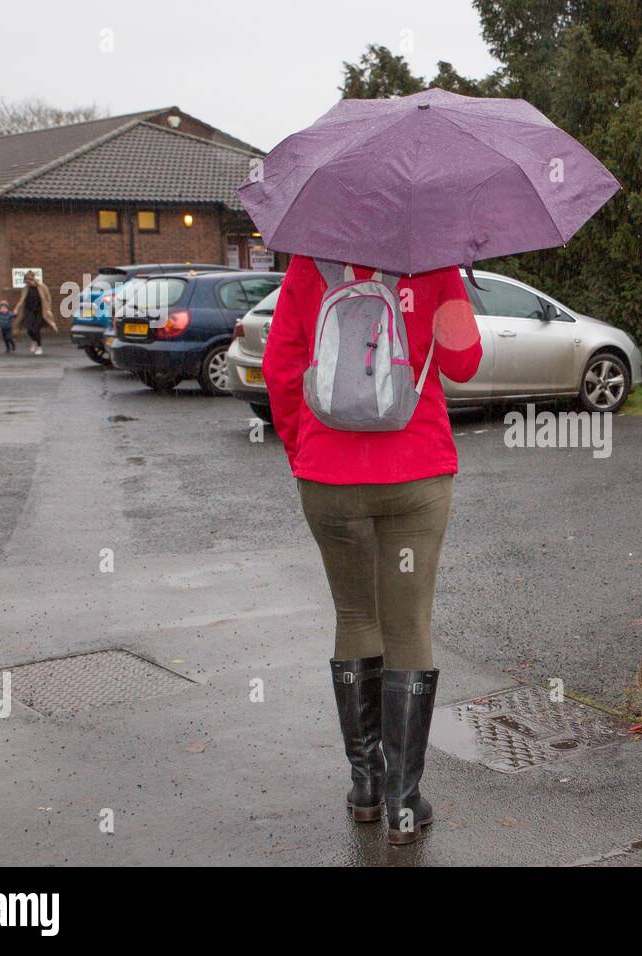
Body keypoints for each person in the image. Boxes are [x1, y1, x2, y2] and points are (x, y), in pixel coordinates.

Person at [262, 255, 481, 846]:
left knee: (356, 616)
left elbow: (279, 367)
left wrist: (301, 449)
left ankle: (365, 786)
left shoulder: (309, 266)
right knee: (407, 624)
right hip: (415, 471)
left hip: (328, 476)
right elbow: (464, 364)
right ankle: (403, 803)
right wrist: (447, 289)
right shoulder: (433, 264)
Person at [12, 271, 55, 355]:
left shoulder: (42, 287)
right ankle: (34, 341)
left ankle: (39, 347)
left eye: (29, 281)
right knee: (28, 328)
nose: (28, 283)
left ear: (33, 279)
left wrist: (49, 309)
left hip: (39, 310)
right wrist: (16, 308)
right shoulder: (26, 288)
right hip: (29, 310)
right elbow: (22, 300)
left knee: (36, 329)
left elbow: (48, 298)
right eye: (26, 281)